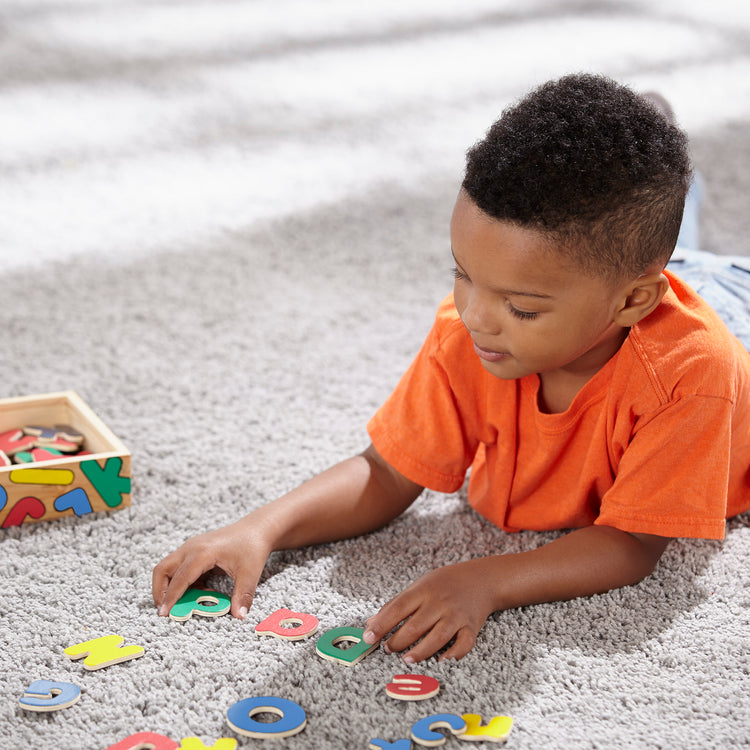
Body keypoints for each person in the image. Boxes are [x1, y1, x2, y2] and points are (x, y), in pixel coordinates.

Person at [152, 73, 750, 664]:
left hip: (729, 310)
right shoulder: (472, 333)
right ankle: (671, 180)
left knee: (696, 267)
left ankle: (676, 187)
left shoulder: (692, 376)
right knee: (659, 250)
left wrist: (487, 579)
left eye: (520, 307)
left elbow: (634, 542)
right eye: (461, 273)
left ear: (631, 303)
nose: (474, 316)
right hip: (637, 288)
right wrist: (261, 528)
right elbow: (386, 473)